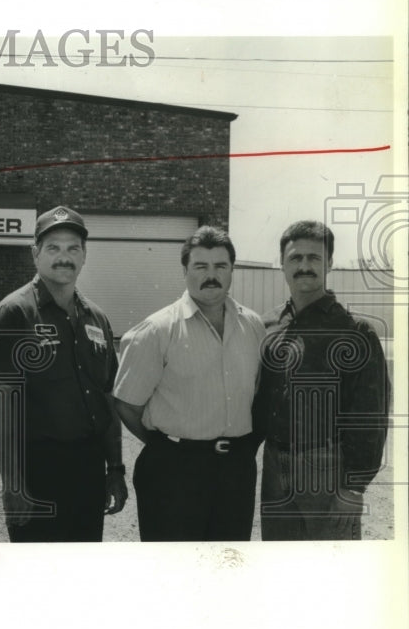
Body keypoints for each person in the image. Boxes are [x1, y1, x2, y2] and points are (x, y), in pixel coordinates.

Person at [0, 205, 127, 542]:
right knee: (36, 579)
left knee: (82, 574)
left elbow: (107, 399)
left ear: (84, 255)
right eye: (54, 248)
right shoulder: (13, 314)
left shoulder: (96, 318)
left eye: (73, 248)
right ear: (36, 254)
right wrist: (13, 484)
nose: (64, 257)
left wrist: (115, 469)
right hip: (37, 472)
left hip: (89, 469)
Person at [114, 226, 265, 541]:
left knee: (226, 569)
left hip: (236, 471)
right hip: (173, 473)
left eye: (220, 266)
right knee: (174, 573)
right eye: (201, 266)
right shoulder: (156, 331)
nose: (211, 275)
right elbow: (127, 405)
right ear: (185, 271)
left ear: (232, 270)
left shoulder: (252, 326)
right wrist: (167, 445)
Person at [253, 220, 390, 540]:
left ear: (329, 263)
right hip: (275, 467)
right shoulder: (267, 325)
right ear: (282, 265)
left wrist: (354, 488)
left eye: (314, 258)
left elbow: (371, 415)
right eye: (295, 258)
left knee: (333, 571)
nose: (304, 266)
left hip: (328, 470)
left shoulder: (355, 331)